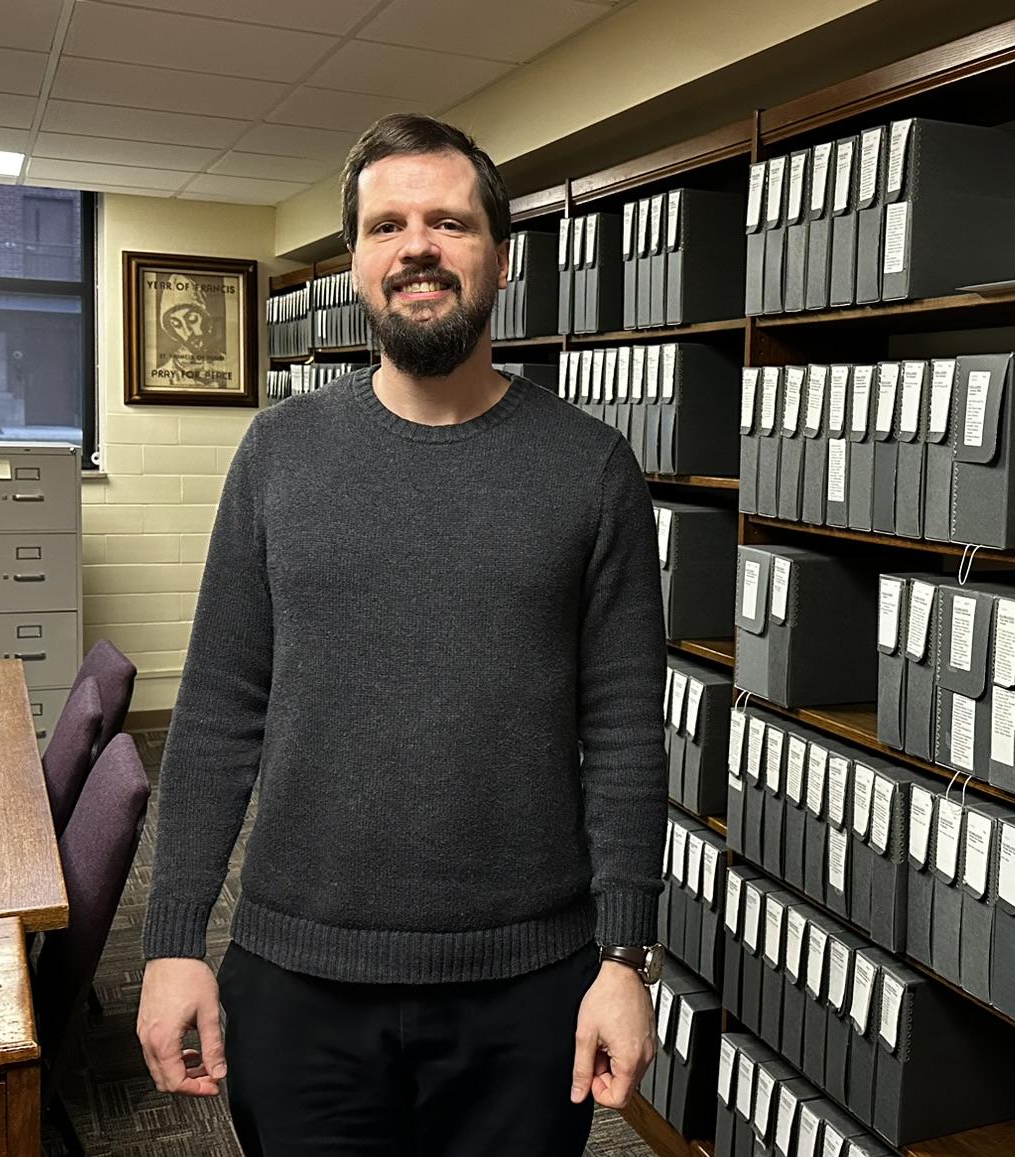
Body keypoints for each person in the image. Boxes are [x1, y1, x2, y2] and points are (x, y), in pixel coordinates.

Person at [135, 112, 666, 1156]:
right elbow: (215, 712)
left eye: (446, 221)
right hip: (297, 978)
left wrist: (625, 955)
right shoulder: (278, 455)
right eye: (386, 225)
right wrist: (170, 938)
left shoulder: (590, 468)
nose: (415, 245)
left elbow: (624, 735)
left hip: (529, 991)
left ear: (498, 257)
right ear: (357, 264)